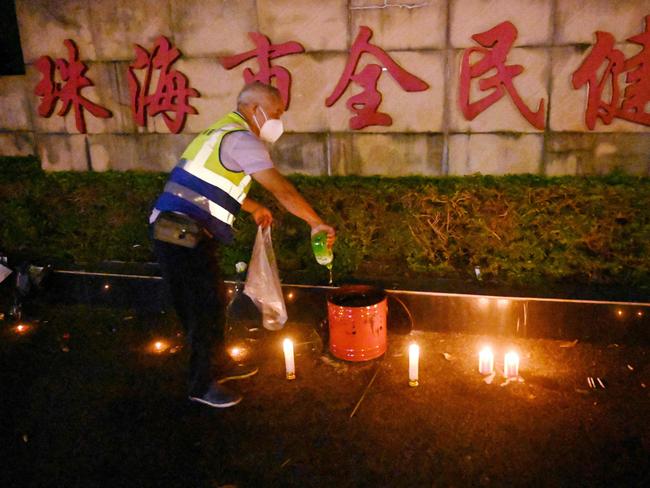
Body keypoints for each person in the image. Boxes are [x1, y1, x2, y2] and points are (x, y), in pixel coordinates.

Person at [150, 82, 336, 408]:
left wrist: (252, 208)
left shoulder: (220, 132)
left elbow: (213, 182)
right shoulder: (243, 140)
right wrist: (315, 222)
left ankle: (216, 367)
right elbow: (283, 191)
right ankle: (201, 384)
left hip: (181, 230)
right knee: (202, 309)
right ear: (255, 109)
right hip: (180, 233)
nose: (279, 121)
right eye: (276, 113)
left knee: (212, 300)